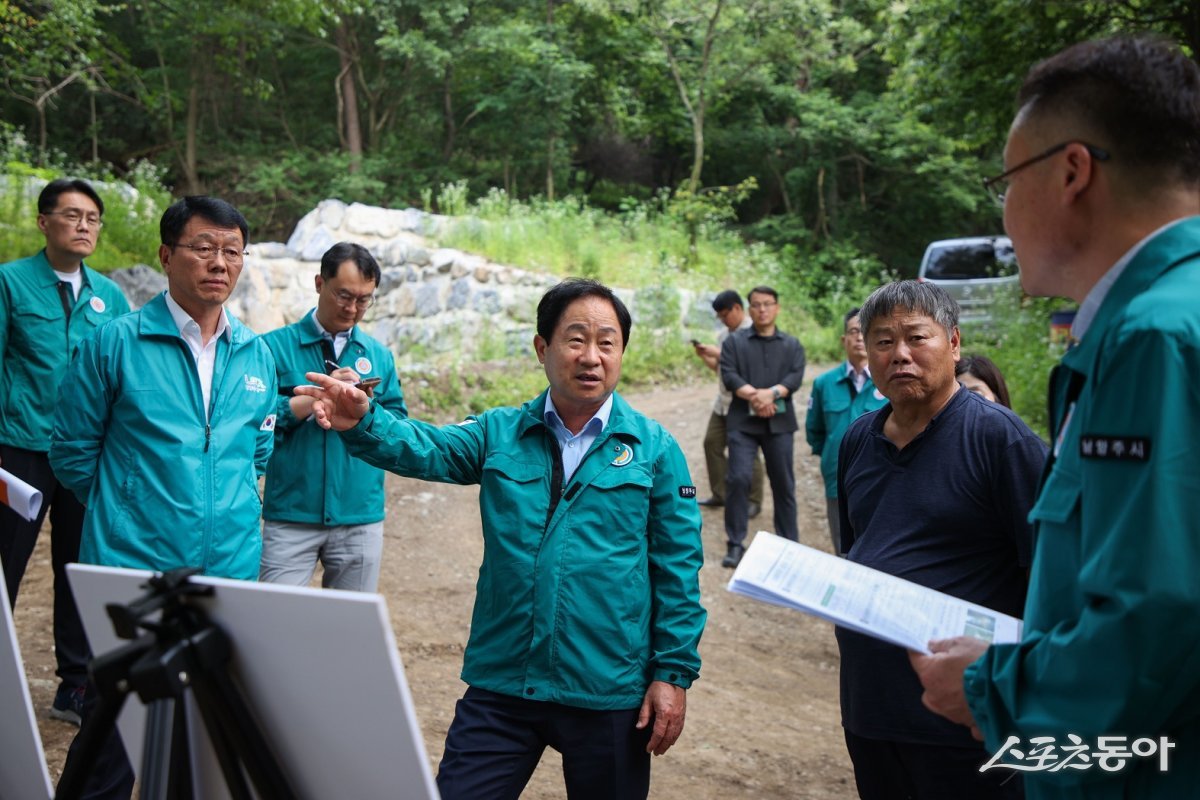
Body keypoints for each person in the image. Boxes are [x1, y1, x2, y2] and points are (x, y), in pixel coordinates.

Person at [910, 35, 1200, 798]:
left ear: (1072, 171)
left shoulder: (1153, 337)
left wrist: (993, 690)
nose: (1003, 210)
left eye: (1006, 180)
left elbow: (1157, 612)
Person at [295, 278, 706, 800]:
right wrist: (364, 422)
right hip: (505, 679)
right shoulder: (499, 433)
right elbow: (429, 447)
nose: (592, 357)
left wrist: (672, 673)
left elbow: (678, 568)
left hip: (607, 687)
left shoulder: (655, 450)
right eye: (575, 339)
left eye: (607, 343)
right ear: (543, 348)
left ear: (622, 353)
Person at [49, 195, 277, 798]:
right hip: (135, 571)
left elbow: (257, 450)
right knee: (114, 731)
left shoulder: (256, 353)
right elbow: (72, 451)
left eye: (232, 251)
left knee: (207, 740)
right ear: (166, 255)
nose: (219, 263)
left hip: (228, 574)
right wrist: (126, 508)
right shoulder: (113, 343)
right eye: (203, 248)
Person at [836, 280, 1047, 799]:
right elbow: (855, 548)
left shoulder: (1001, 440)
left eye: (916, 338)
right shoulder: (858, 439)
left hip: (966, 714)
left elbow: (1048, 575)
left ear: (953, 343)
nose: (899, 355)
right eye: (882, 341)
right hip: (871, 707)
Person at [0, 178, 130, 726]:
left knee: (79, 566)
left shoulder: (111, 296)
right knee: (5, 566)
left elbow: (124, 377)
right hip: (18, 448)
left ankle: (74, 685)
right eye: (72, 215)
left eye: (93, 218)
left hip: (83, 454)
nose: (84, 226)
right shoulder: (10, 283)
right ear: (43, 221)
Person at [259, 242, 406, 592]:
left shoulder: (378, 355)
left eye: (364, 299)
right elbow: (255, 422)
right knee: (273, 621)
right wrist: (315, 401)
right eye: (344, 295)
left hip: (359, 514)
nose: (352, 308)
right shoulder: (271, 347)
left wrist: (364, 409)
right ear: (318, 283)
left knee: (349, 631)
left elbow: (398, 424)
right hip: (291, 513)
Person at [717, 285, 805, 568]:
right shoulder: (735, 342)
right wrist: (756, 396)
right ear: (749, 309)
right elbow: (729, 374)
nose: (762, 310)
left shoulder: (792, 345)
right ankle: (735, 543)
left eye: (768, 304)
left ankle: (789, 545)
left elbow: (795, 376)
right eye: (756, 305)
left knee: (783, 483)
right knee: (738, 479)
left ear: (777, 307)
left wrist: (773, 393)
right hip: (742, 421)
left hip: (779, 423)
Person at [804, 307, 886, 555]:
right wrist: (831, 458)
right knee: (843, 548)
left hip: (881, 479)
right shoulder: (823, 383)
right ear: (844, 340)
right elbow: (814, 431)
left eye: (865, 332)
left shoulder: (890, 378)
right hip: (836, 479)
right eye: (853, 331)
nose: (859, 337)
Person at [691, 289, 763, 518]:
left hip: (743, 403)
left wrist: (718, 353)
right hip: (722, 402)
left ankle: (753, 500)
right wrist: (707, 357)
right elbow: (722, 371)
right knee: (711, 443)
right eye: (720, 316)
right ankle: (721, 494)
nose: (723, 319)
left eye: (725, 314)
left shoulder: (755, 332)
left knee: (747, 451)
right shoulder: (723, 335)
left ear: (738, 309)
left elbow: (748, 363)